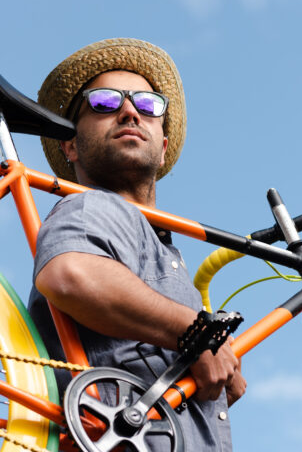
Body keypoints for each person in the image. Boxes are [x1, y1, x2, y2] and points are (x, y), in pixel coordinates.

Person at [29, 38, 246, 451]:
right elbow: (71, 274)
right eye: (105, 102)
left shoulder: (163, 253)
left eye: (147, 106)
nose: (129, 110)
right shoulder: (94, 207)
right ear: (70, 145)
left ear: (162, 148)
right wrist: (195, 333)